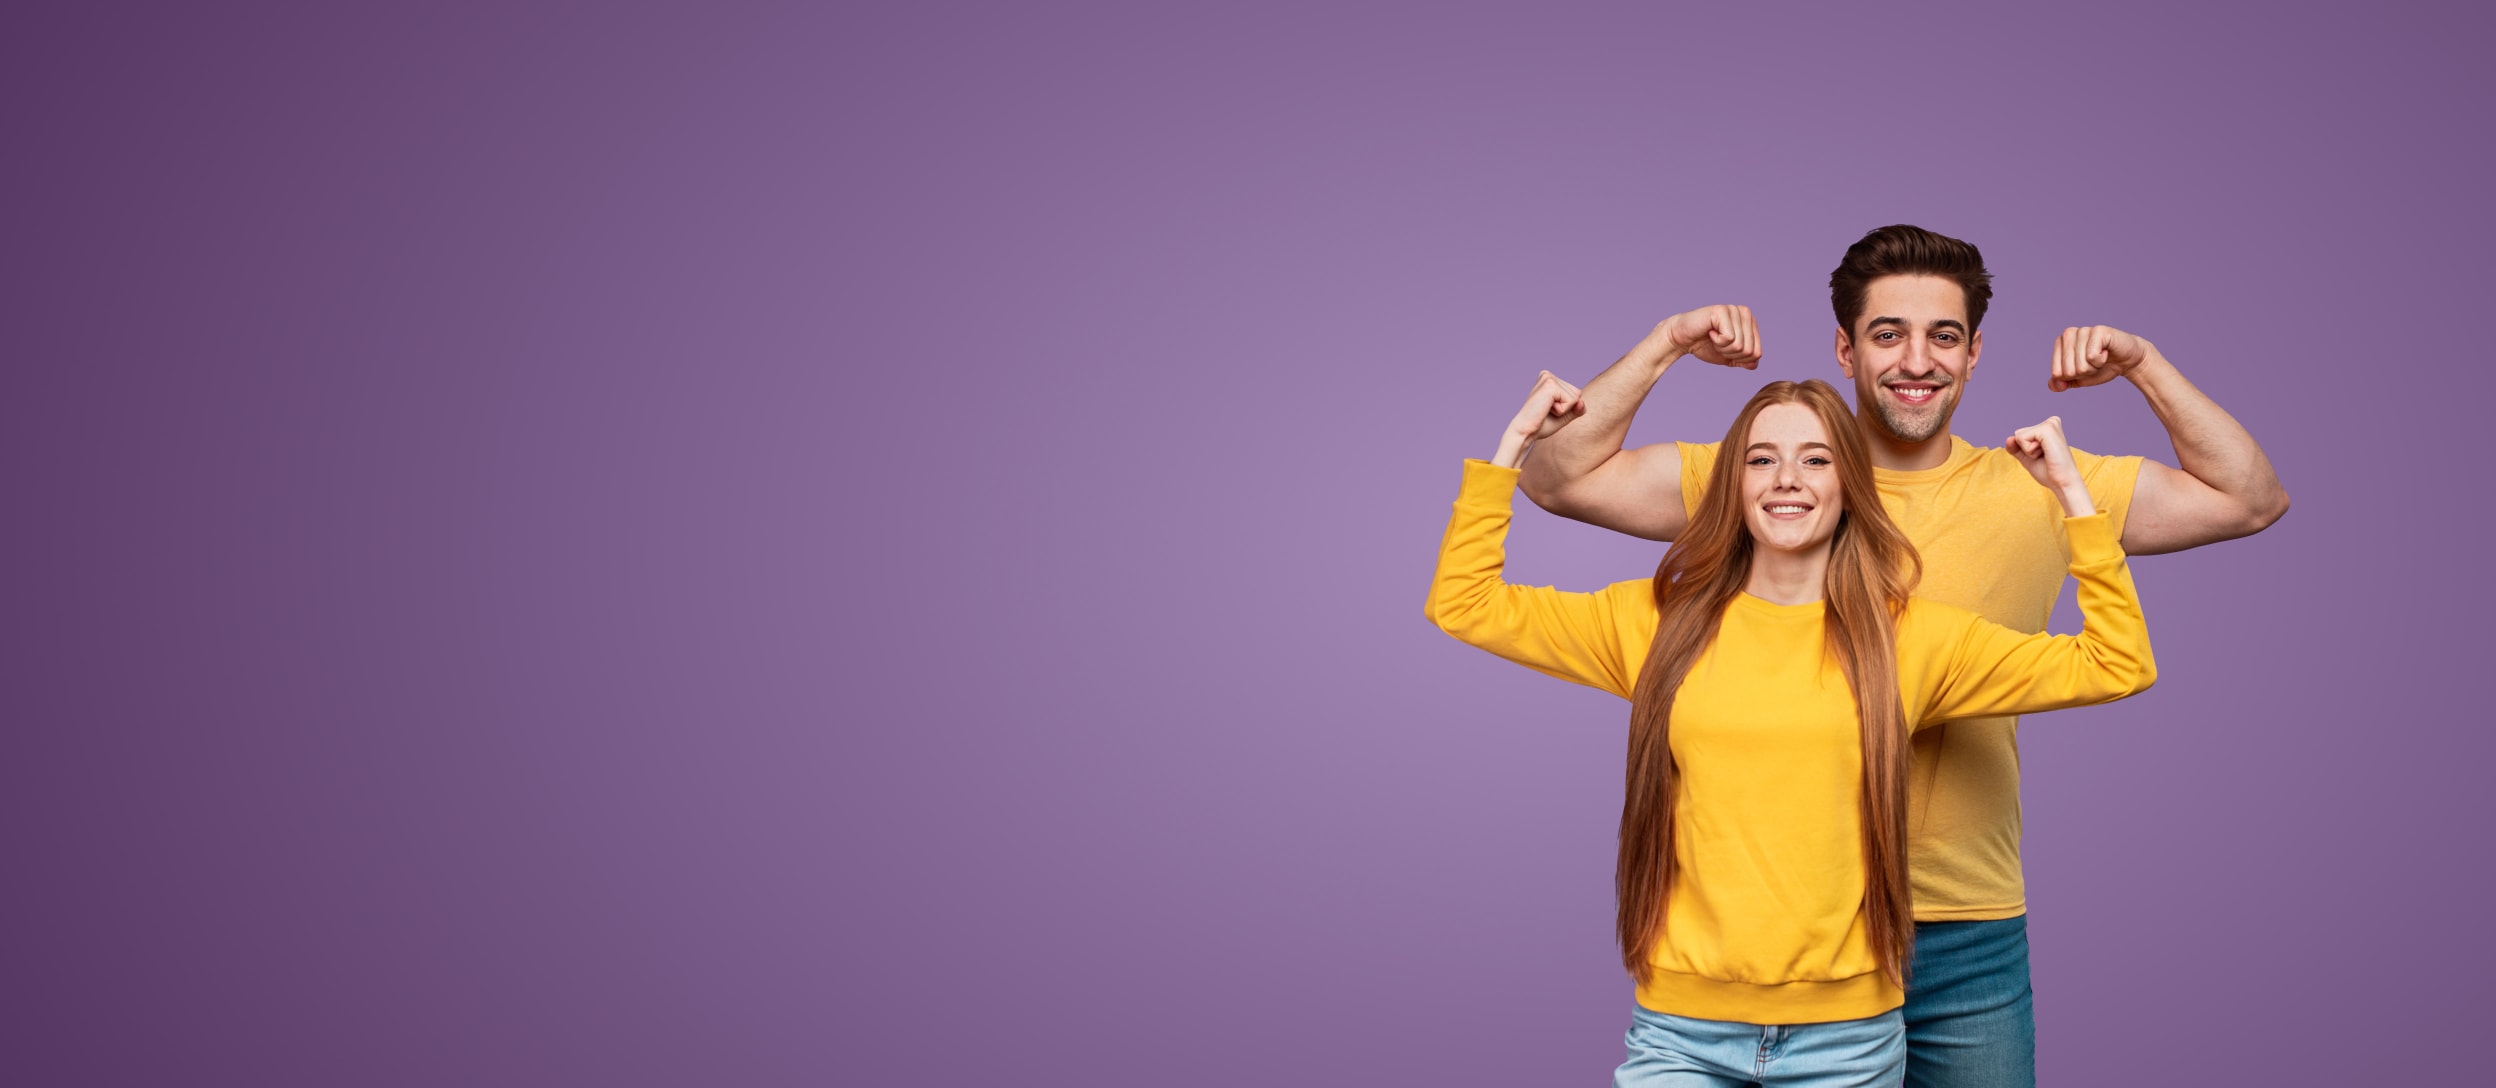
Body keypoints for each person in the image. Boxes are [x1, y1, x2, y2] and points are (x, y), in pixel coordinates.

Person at [1515, 226, 2288, 1086]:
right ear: (1845, 349)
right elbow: (1557, 479)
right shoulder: (1774, 479)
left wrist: (2143, 364)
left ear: (1974, 353)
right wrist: (1666, 345)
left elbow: (2248, 498)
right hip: (1784, 940)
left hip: (1963, 928)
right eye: (1887, 334)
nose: (1915, 360)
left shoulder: (2035, 487)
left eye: (1943, 336)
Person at [1427, 376, 2154, 1087]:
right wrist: (1513, 444)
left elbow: (2116, 663)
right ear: (1734, 486)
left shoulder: (1913, 639)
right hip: (1680, 1032)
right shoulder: (1653, 624)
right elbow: (1464, 603)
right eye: (1761, 458)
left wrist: (2071, 496)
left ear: (1849, 486)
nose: (1787, 479)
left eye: (1816, 458)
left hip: (1846, 1043)